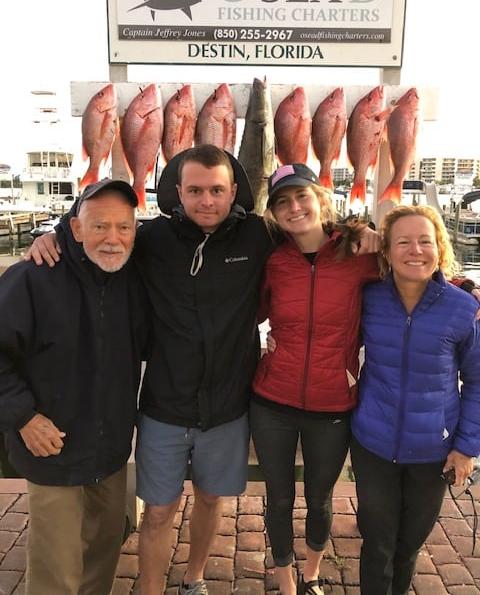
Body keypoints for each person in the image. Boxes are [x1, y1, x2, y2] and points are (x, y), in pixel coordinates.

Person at [25, 147, 378, 595]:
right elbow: (101, 226)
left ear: (233, 192)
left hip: (228, 408)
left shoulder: (258, 236)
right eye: (195, 191)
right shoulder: (152, 238)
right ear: (178, 193)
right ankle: (151, 588)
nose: (206, 201)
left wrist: (362, 230)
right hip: (163, 407)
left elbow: (312, 234)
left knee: (211, 500)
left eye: (216, 190)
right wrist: (55, 233)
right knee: (157, 511)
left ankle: (193, 580)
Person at [0, 179, 149, 595]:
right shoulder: (32, 277)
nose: (113, 238)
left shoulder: (133, 277)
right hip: (51, 447)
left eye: (124, 227)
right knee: (57, 569)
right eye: (100, 226)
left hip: (111, 448)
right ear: (76, 228)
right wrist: (23, 417)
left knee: (102, 555)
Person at [250, 163, 381, 595]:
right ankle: (287, 582)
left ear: (320, 199)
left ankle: (312, 574)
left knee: (320, 498)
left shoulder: (359, 255)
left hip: (333, 403)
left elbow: (413, 269)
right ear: (273, 214)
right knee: (280, 496)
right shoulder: (274, 261)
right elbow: (250, 314)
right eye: (282, 202)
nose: (294, 207)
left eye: (301, 196)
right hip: (272, 400)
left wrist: (463, 287)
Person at [350, 204, 480, 595]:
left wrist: (466, 447)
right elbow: (326, 336)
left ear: (439, 247)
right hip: (373, 443)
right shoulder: (368, 298)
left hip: (433, 450)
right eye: (403, 242)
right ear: (386, 252)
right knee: (378, 543)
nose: (415, 250)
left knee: (408, 546)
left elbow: (476, 380)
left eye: (425, 241)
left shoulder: (463, 309)